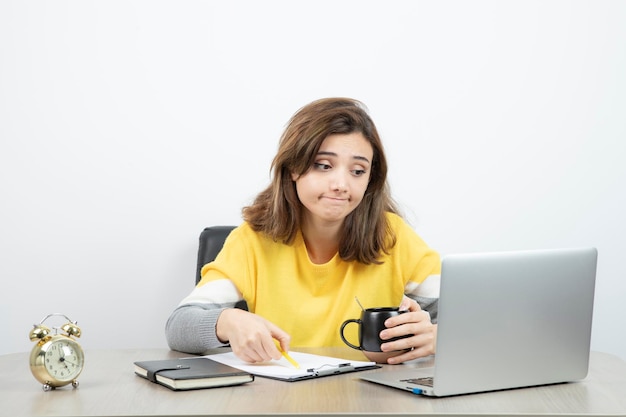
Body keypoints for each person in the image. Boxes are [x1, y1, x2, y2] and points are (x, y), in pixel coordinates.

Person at [165, 97, 441, 364]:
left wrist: (436, 336)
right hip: (277, 401)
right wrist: (227, 321)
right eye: (323, 166)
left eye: (358, 171)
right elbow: (178, 327)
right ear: (294, 168)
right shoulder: (252, 241)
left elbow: (468, 321)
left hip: (369, 400)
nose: (341, 184)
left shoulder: (393, 236)